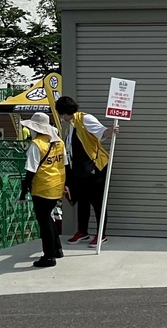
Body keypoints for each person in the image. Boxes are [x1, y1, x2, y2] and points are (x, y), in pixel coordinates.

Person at [55, 95, 115, 247]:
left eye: (61, 114)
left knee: (98, 201)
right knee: (82, 201)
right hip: (80, 170)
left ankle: (101, 234)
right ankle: (83, 231)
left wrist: (111, 131)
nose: (61, 117)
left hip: (95, 167)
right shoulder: (71, 124)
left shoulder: (85, 119)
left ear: (65, 112)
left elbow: (101, 132)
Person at [18, 111, 66, 267]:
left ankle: (49, 256)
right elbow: (65, 164)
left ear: (35, 128)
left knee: (43, 220)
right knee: (48, 217)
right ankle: (57, 249)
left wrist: (24, 191)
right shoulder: (59, 143)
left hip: (42, 187)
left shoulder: (36, 145)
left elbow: (30, 171)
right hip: (57, 185)